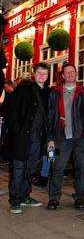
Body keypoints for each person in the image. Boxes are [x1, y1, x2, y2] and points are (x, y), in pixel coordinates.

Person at [6, 62, 50, 214]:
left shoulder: (46, 92)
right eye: (39, 73)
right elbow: (12, 109)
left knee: (30, 169)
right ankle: (15, 201)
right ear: (34, 74)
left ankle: (25, 196)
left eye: (45, 74)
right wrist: (17, 131)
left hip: (37, 139)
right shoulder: (24, 88)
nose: (42, 76)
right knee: (19, 168)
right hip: (22, 137)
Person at [47, 62, 84, 211]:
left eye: (73, 72)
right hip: (61, 136)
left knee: (81, 168)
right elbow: (50, 116)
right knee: (57, 167)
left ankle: (79, 197)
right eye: (68, 73)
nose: (71, 74)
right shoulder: (55, 93)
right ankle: (53, 198)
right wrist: (50, 138)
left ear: (76, 74)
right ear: (63, 76)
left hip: (80, 136)